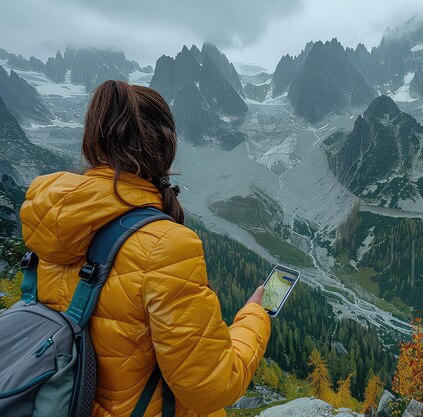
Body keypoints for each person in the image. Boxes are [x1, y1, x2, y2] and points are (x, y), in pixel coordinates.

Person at [19, 80, 271, 417]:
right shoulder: (165, 246)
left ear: (94, 139)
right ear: (164, 146)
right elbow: (213, 386)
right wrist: (255, 316)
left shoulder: (49, 224)